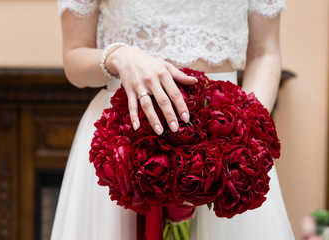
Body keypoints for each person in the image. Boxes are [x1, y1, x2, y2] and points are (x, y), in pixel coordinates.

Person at [51, 0, 295, 239]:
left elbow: (265, 52)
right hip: (126, 133)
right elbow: (74, 59)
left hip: (224, 131)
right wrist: (119, 56)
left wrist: (244, 135)